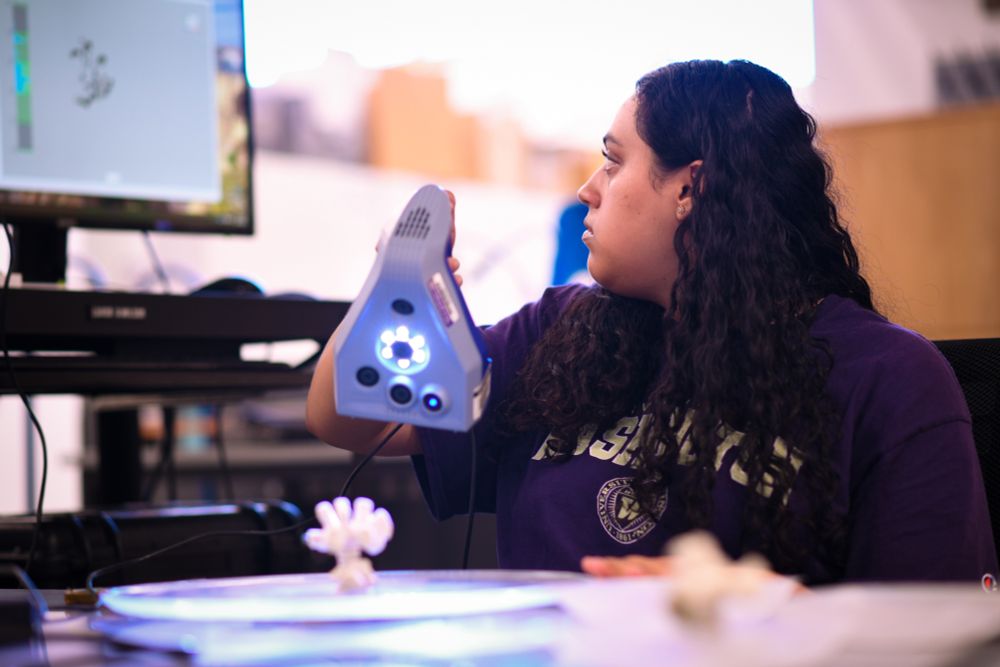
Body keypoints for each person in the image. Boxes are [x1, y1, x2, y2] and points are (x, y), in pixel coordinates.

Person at [306, 59, 997, 584]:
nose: (588, 191)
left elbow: (937, 633)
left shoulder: (889, 380)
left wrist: (757, 614)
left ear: (689, 188)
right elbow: (348, 416)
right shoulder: (561, 332)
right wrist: (394, 285)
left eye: (613, 161)